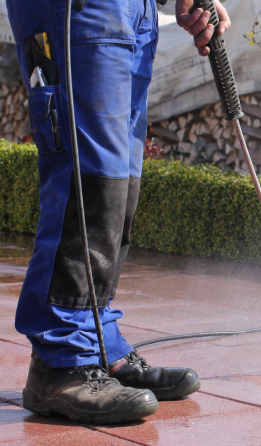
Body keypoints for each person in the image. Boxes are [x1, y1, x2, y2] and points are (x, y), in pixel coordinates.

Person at [7, 0, 231, 424]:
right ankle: (61, 360)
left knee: (120, 180)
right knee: (87, 178)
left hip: (133, 9)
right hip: (75, 8)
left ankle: (98, 341)